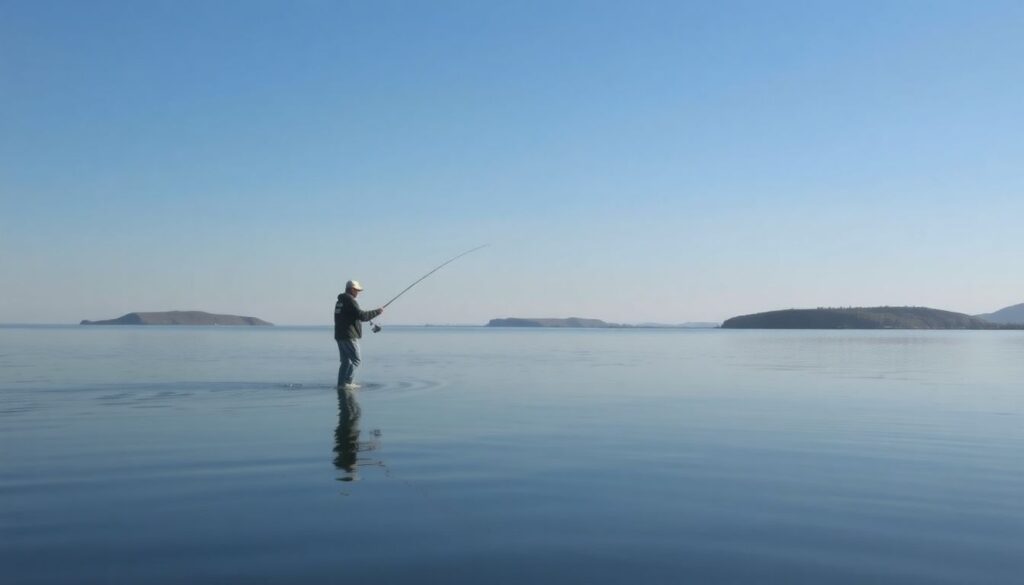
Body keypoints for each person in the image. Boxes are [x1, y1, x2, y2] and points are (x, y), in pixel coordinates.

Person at [334, 280, 383, 389]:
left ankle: (341, 384)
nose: (358, 293)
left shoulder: (340, 301)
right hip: (349, 335)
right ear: (351, 289)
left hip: (340, 335)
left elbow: (355, 315)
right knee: (356, 360)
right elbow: (362, 316)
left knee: (345, 361)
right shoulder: (350, 300)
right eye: (357, 290)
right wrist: (377, 312)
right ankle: (347, 383)